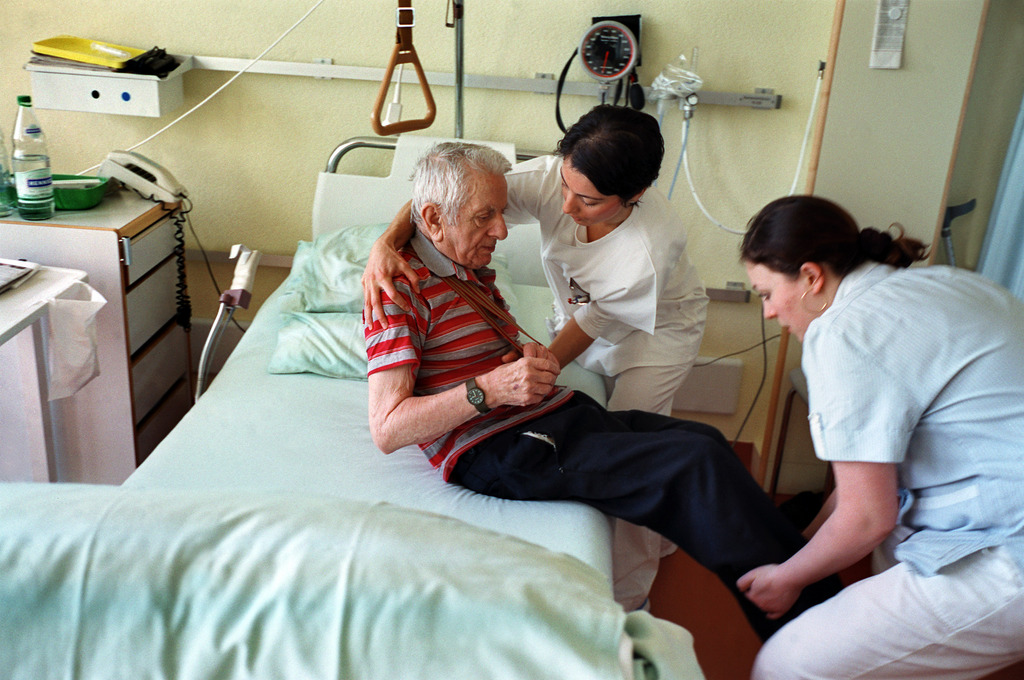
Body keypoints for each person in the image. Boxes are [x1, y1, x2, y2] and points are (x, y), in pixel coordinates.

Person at [364, 141, 841, 641]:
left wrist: (527, 363)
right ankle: (811, 632)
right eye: (487, 217)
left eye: (502, 214)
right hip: (497, 446)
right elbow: (387, 427)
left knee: (706, 444)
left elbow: (435, 230)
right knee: (690, 469)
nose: (503, 231)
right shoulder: (397, 292)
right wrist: (487, 389)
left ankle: (805, 576)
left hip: (547, 416)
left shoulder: (467, 266)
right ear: (435, 218)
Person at [362, 105, 708, 611]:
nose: (564, 206)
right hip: (555, 344)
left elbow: (593, 322)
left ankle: (629, 597)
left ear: (632, 197)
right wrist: (384, 242)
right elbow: (434, 199)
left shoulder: (647, 252)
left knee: (650, 445)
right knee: (646, 462)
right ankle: (651, 554)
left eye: (586, 200)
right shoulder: (408, 285)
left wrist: (533, 365)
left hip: (651, 336)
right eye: (564, 186)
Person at [738, 195, 1024, 678]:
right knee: (887, 552)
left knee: (786, 664)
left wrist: (787, 577)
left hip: (1011, 548)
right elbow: (867, 486)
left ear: (811, 277)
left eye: (766, 293)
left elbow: (868, 516)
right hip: (989, 497)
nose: (767, 313)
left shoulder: (842, 332)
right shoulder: (944, 282)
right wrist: (800, 547)